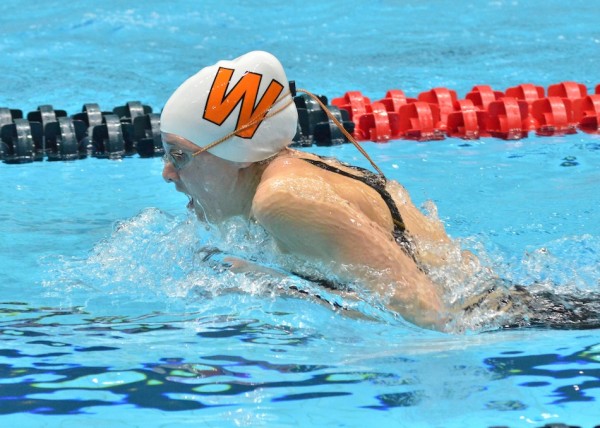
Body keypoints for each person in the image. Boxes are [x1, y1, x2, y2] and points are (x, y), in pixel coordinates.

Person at [160, 51, 599, 332]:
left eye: (179, 155)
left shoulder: (284, 199)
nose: (167, 173)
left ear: (237, 153)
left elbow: (432, 316)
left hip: (523, 327)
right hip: (514, 306)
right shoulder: (287, 171)